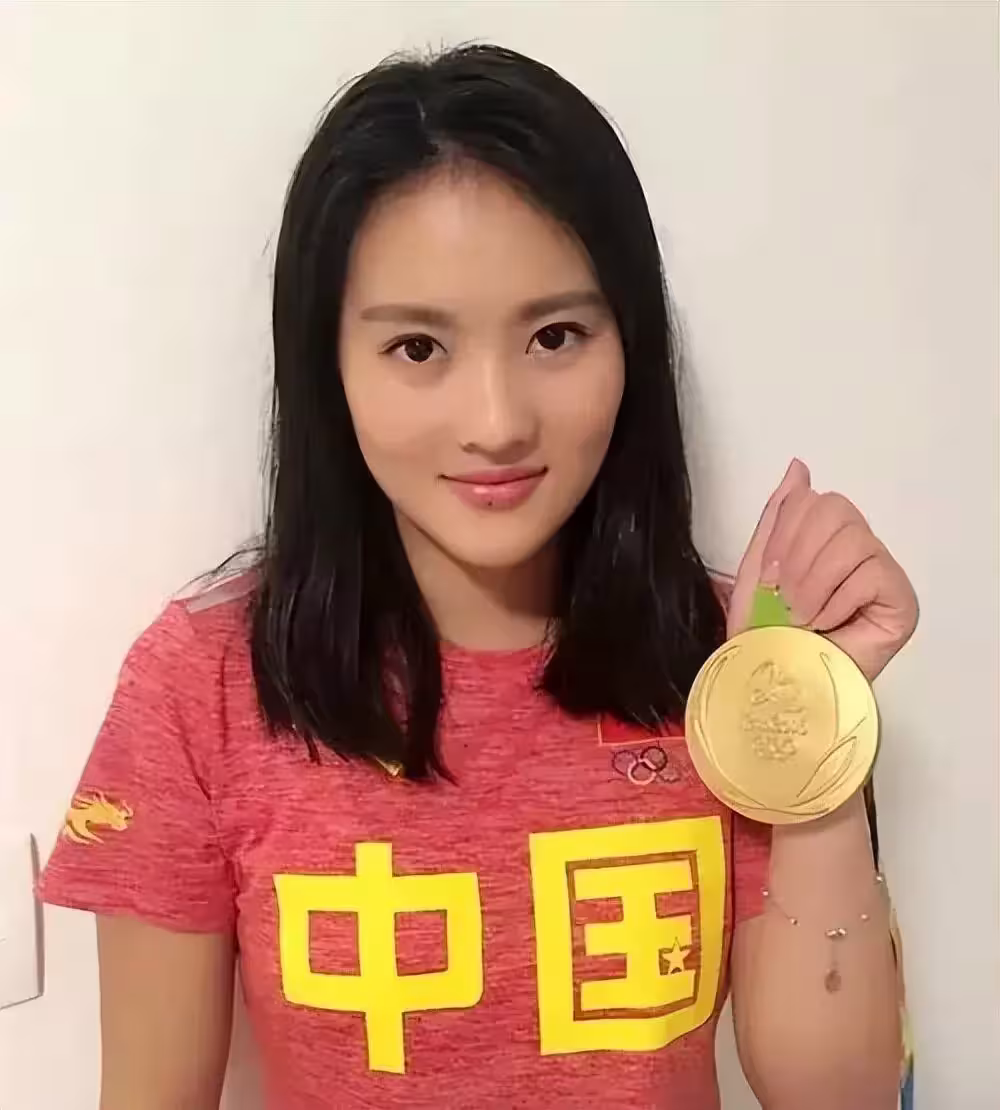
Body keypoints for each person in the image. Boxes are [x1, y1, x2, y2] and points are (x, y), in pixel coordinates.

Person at [38, 44, 916, 1110]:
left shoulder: (734, 661)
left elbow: (839, 1097)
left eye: (556, 335)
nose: (496, 422)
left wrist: (807, 713)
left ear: (629, 346)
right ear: (327, 367)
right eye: (418, 349)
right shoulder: (204, 683)